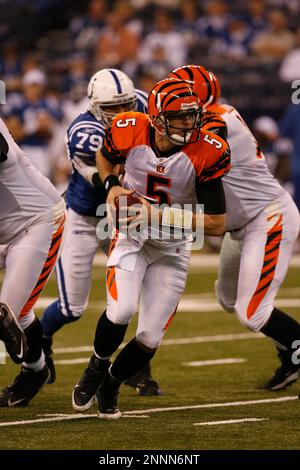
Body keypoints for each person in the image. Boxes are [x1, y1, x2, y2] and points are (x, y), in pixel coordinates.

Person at [72, 78, 230, 419]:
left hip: (173, 249)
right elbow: (104, 155)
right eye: (181, 117)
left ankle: (112, 383)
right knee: (121, 311)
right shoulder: (128, 128)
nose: (190, 123)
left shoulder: (208, 150)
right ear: (158, 118)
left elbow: (218, 223)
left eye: (193, 115)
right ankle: (96, 366)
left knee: (150, 337)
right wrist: (112, 184)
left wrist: (157, 213)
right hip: (132, 236)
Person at [169, 65, 300, 390]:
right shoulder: (208, 115)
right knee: (228, 299)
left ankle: (295, 351)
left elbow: (202, 146)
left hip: (268, 217)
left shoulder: (218, 119)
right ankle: (291, 350)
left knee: (252, 312)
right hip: (240, 226)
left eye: (179, 94)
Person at [40, 69, 161, 396]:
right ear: (95, 105)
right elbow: (104, 175)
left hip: (120, 218)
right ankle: (41, 337)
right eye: (113, 108)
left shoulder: (144, 104)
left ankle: (137, 369)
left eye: (126, 105)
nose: (122, 114)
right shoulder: (84, 129)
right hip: (85, 215)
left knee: (129, 295)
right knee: (71, 307)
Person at [0, 117, 65, 406]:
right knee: (19, 315)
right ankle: (37, 368)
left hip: (35, 222)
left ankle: (34, 370)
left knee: (8, 316)